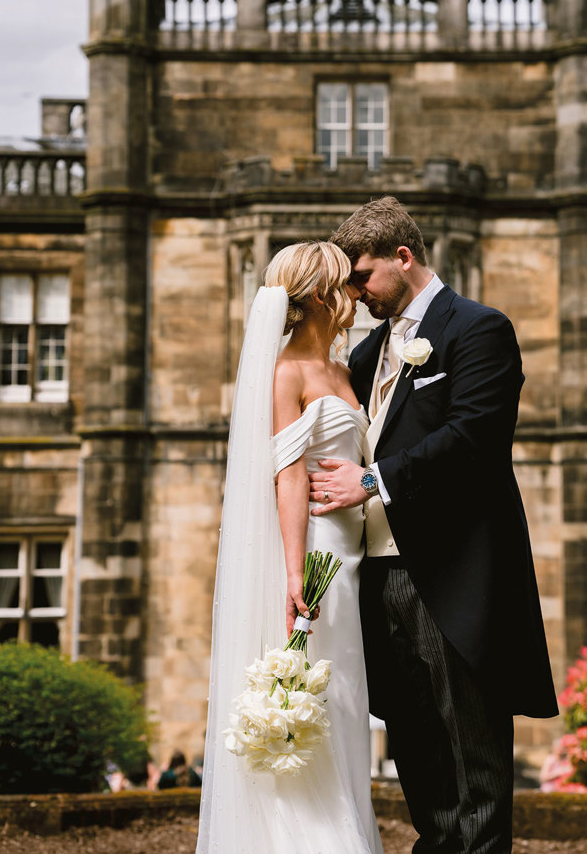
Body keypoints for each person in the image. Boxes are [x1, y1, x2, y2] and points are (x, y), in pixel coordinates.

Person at [309, 196, 559, 854]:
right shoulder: (366, 353)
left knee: (469, 754)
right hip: (376, 577)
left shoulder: (477, 329)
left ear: (403, 256)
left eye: (362, 276)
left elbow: (474, 437)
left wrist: (371, 481)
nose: (356, 293)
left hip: (452, 574)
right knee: (416, 745)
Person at [196, 241, 383, 854]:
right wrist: (295, 571)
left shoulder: (346, 369)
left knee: (348, 697)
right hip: (318, 548)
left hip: (356, 548)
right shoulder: (287, 372)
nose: (355, 295)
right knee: (319, 690)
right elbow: (290, 475)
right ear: (320, 297)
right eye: (345, 285)